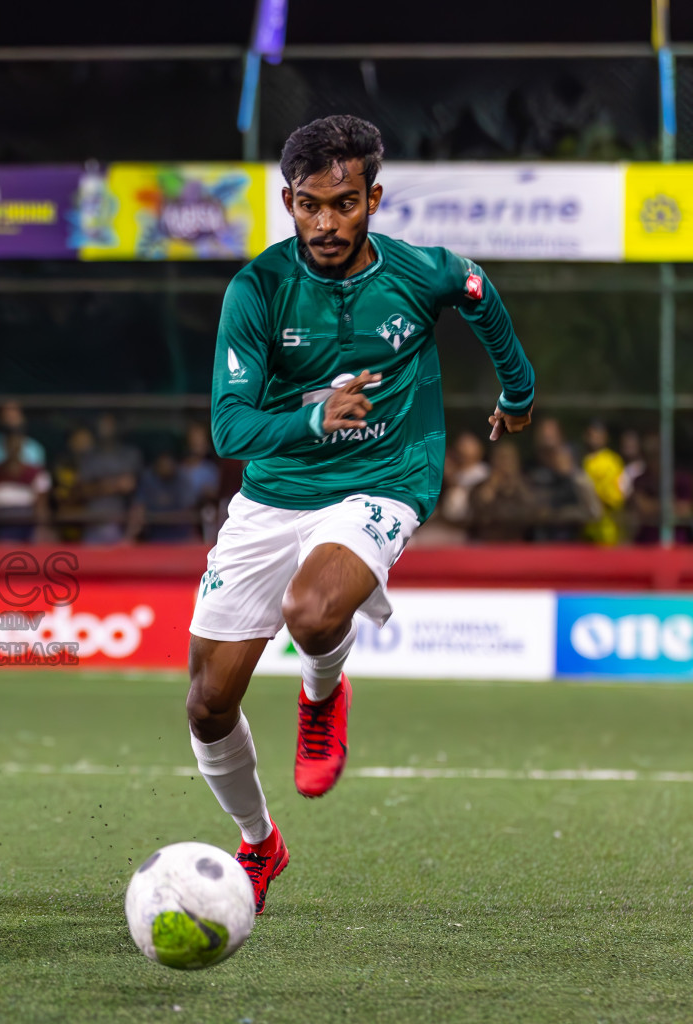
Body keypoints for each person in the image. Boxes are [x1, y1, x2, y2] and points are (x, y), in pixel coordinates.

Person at [187, 116, 535, 914]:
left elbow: (479, 294)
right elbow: (230, 428)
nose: (326, 222)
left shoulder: (419, 274)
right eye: (309, 205)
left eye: (344, 204)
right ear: (288, 202)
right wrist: (312, 420)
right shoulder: (258, 291)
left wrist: (518, 392)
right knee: (208, 702)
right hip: (275, 492)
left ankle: (320, 698)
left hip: (384, 478)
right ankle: (259, 844)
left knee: (311, 611)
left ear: (372, 198)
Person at [77, 412, 142, 544]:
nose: (106, 428)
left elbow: (138, 493)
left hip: (121, 527)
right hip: (94, 526)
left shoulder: (130, 455)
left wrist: (132, 532)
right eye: (103, 424)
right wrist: (115, 485)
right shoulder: (90, 456)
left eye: (110, 424)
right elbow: (82, 491)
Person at [0, 431, 51, 542]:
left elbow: (41, 507)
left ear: (22, 446)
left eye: (17, 444)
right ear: (4, 446)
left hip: (27, 525)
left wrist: (40, 532)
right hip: (0, 525)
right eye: (10, 444)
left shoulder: (37, 473)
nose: (13, 448)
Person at [468, 440, 539, 542]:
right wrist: (491, 487)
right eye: (501, 458)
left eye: (509, 458)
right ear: (493, 460)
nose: (505, 463)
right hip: (489, 543)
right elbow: (479, 514)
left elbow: (533, 512)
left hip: (519, 542)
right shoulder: (480, 487)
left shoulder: (527, 485)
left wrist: (516, 484)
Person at [580, 421, 625, 546]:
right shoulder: (582, 460)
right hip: (584, 531)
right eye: (591, 434)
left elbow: (615, 499)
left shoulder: (612, 461)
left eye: (598, 434)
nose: (594, 437)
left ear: (606, 437)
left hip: (605, 532)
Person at [0, 400, 46, 469]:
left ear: (22, 418)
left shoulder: (34, 449)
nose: (10, 419)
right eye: (6, 415)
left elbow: (39, 476)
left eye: (14, 416)